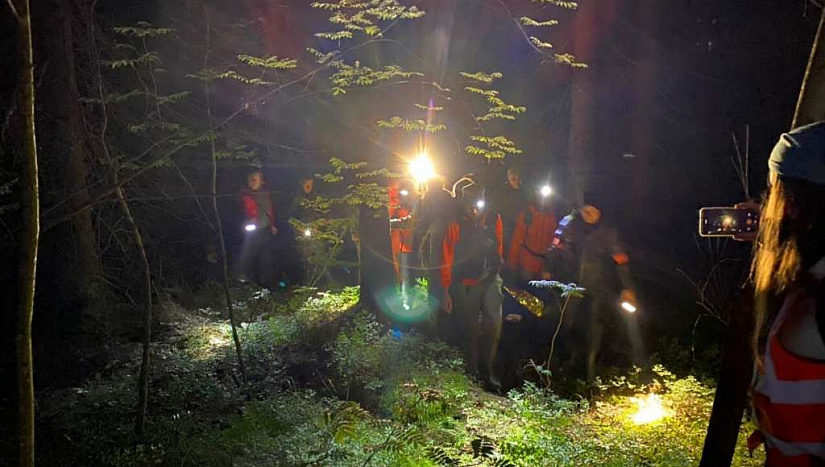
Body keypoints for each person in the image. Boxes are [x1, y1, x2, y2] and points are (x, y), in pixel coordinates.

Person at [749, 121, 825, 466]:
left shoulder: (813, 314)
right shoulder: (811, 284)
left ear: (794, 205)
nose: (766, 208)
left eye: (772, 193)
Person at [545, 196, 638, 381]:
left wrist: (627, 288)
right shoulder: (568, 224)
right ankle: (562, 365)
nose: (588, 215)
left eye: (593, 211)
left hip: (598, 286)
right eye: (585, 210)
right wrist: (547, 269)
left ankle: (589, 372)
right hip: (570, 284)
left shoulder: (608, 231)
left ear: (600, 212)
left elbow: (620, 260)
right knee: (566, 324)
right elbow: (554, 248)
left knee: (593, 327)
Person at [440, 179, 504, 389]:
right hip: (465, 282)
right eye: (470, 205)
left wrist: (496, 269)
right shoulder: (455, 223)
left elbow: (499, 244)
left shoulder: (493, 219)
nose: (475, 209)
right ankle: (473, 371)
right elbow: (446, 257)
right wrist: (446, 290)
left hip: (490, 278)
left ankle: (488, 370)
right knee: (470, 329)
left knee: (493, 324)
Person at [506, 185, 558, 283]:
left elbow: (554, 240)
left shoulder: (552, 215)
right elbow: (517, 239)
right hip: (527, 263)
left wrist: (550, 265)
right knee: (526, 291)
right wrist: (512, 263)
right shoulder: (527, 214)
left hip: (543, 264)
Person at [239, 169, 278, 288]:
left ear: (261, 181)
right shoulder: (245, 195)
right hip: (252, 231)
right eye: (250, 180)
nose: (252, 182)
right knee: (249, 255)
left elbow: (269, 209)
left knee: (265, 258)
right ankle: (245, 281)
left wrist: (272, 224)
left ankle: (266, 284)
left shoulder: (266, 194)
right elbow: (242, 213)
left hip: (265, 229)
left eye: (255, 180)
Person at [388, 179, 415, 297]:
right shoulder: (391, 202)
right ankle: (401, 297)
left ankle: (406, 296)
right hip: (397, 244)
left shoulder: (404, 198)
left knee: (406, 272)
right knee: (399, 272)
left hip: (406, 243)